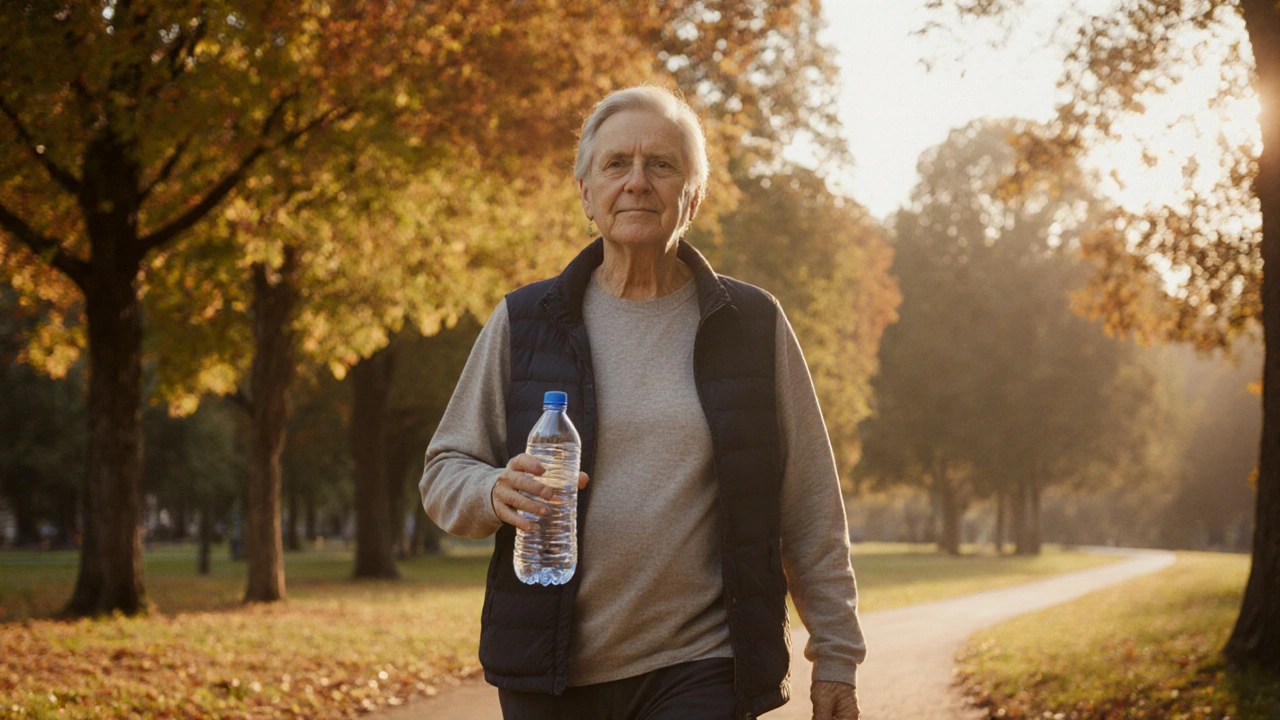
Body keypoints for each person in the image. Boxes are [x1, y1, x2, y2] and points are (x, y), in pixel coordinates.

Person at [420, 85, 865, 720]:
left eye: (662, 164)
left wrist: (837, 659)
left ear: (694, 193)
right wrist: (492, 491)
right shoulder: (525, 321)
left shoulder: (752, 324)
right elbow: (443, 472)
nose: (637, 182)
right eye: (616, 164)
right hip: (549, 676)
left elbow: (810, 502)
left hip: (703, 664)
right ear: (585, 193)